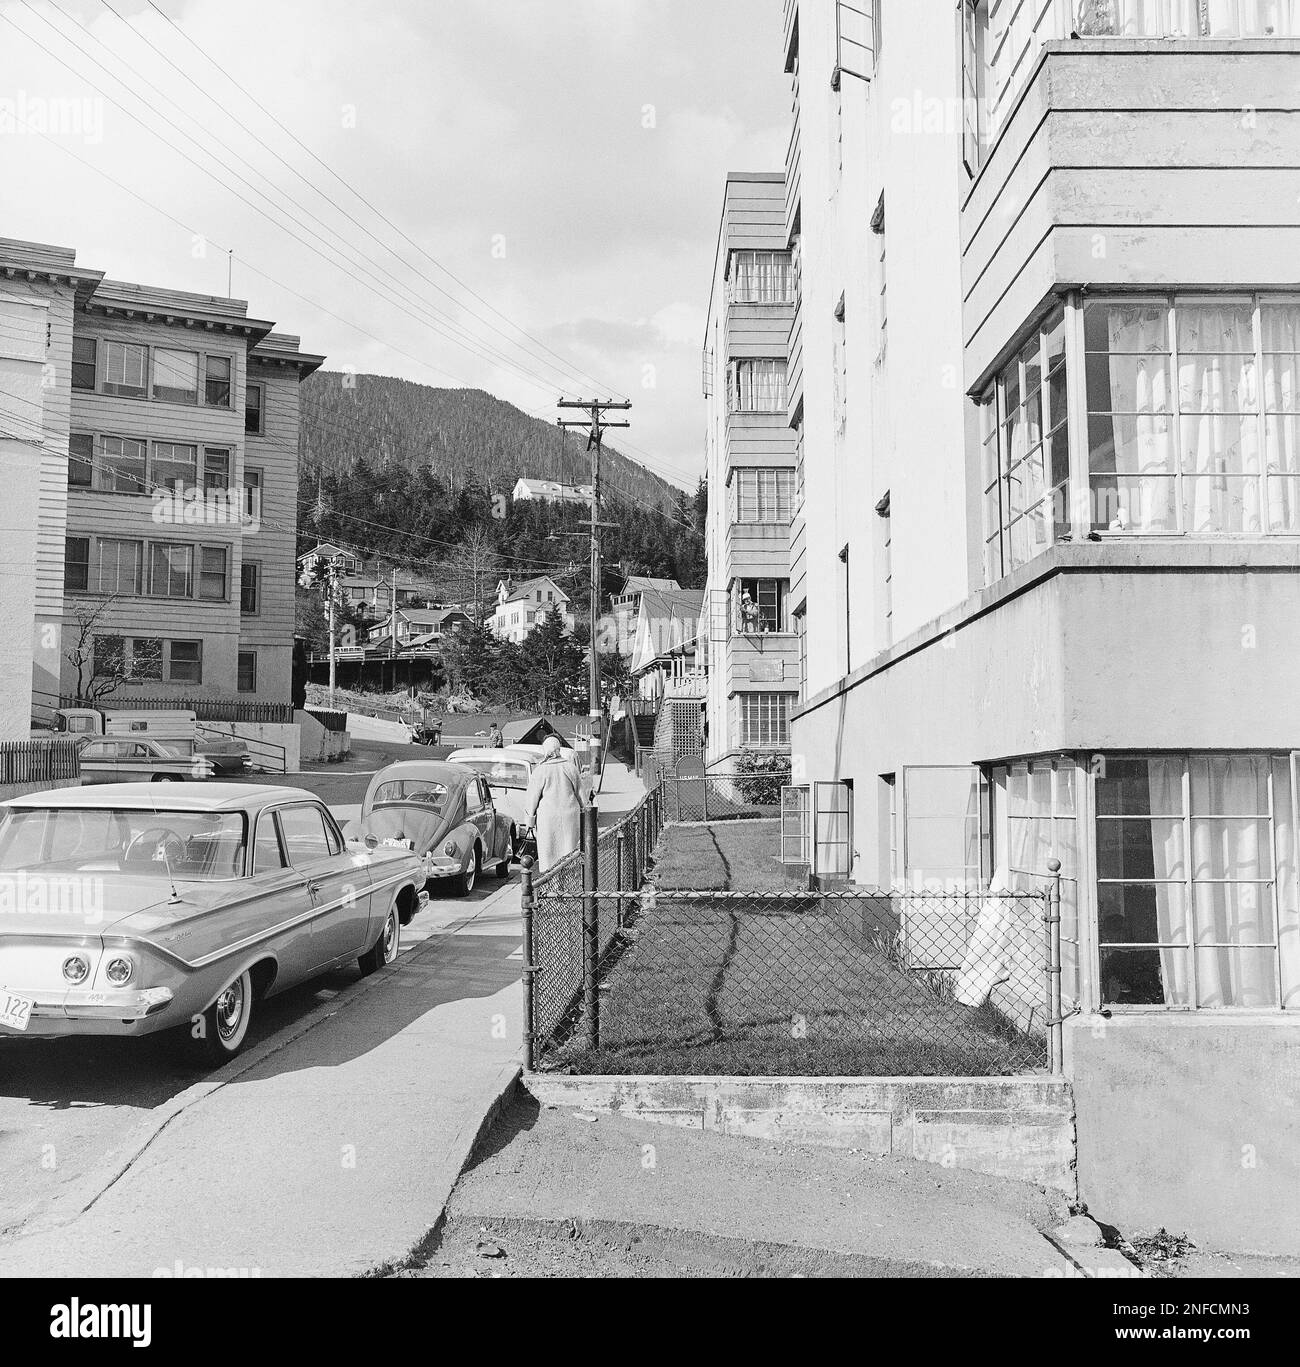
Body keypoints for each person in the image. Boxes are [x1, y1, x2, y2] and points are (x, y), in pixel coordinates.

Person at [524, 735, 588, 871]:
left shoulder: (540, 771)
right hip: (570, 816)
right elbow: (582, 796)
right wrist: (588, 815)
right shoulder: (570, 768)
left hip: (547, 819)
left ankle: (549, 884)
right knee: (569, 850)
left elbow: (532, 800)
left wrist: (530, 822)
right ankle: (570, 883)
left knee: (548, 853)